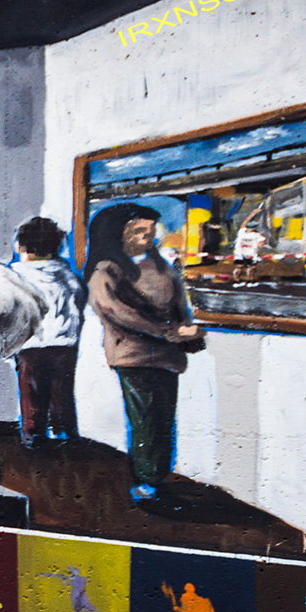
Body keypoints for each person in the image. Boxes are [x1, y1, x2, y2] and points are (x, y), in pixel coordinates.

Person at [83, 204, 203, 506]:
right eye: (138, 231)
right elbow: (116, 312)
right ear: (117, 234)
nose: (147, 237)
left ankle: (156, 479)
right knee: (146, 421)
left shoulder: (162, 267)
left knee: (163, 421)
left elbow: (179, 304)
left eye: (151, 231)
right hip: (134, 356)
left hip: (167, 357)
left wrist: (188, 331)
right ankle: (147, 482)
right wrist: (168, 331)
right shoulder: (106, 270)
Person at [11, 217, 85, 448]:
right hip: (64, 344)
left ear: (20, 246)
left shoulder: (15, 277)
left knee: (31, 392)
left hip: (30, 344)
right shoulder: (67, 276)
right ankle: (62, 431)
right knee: (61, 390)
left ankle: (34, 435)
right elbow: (78, 304)